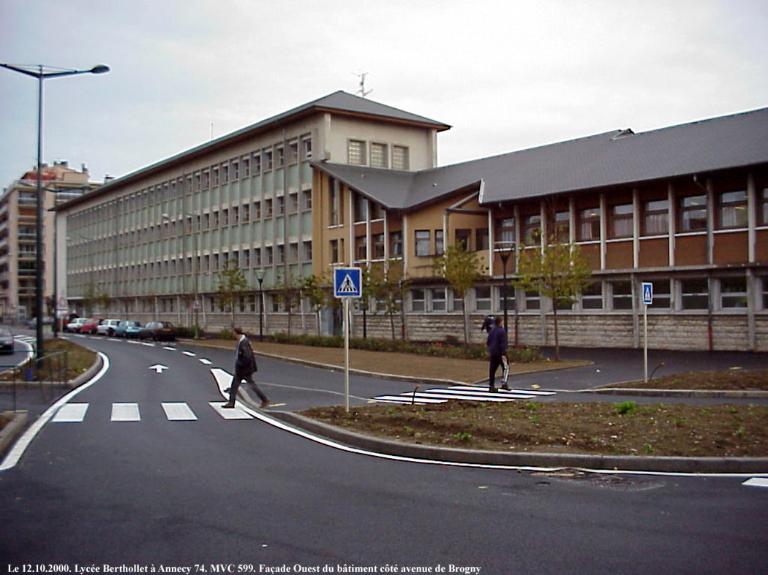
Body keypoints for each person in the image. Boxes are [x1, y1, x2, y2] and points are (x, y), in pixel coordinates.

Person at [223, 327, 270, 409]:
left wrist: (240, 365)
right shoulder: (242, 341)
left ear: (236, 333)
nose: (232, 334)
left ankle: (264, 399)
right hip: (243, 369)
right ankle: (231, 402)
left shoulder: (244, 342)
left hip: (244, 370)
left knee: (248, 385)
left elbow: (247, 357)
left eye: (233, 333)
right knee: (237, 385)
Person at [486, 316, 510, 392]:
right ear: (500, 322)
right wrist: (504, 352)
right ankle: (504, 383)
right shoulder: (502, 331)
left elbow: (488, 341)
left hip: (493, 352)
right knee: (506, 367)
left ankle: (491, 386)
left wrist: (490, 349)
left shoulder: (492, 331)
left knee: (492, 370)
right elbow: (503, 343)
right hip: (500, 353)